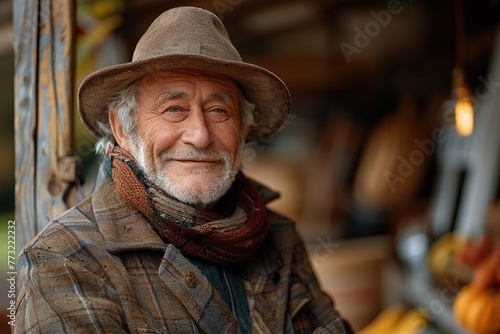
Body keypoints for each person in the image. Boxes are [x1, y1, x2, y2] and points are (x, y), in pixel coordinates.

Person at [15, 6, 353, 333]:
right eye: (174, 108)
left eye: (219, 110)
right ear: (122, 129)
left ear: (243, 128)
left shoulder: (276, 236)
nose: (200, 135)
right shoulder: (64, 259)